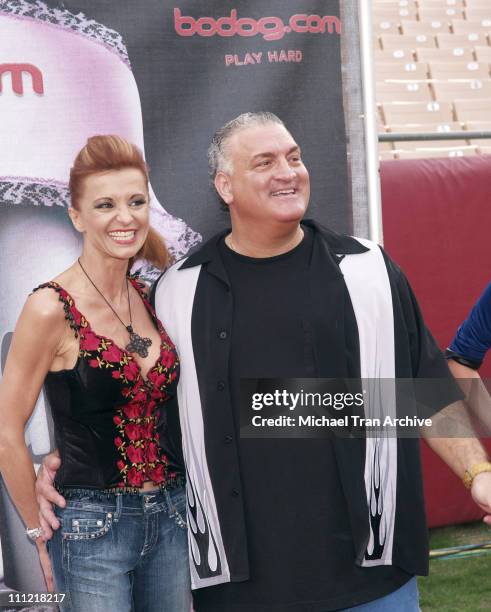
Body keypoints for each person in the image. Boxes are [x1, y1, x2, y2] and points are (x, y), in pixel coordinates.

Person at [37, 113, 491, 611]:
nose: (288, 171)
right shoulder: (177, 292)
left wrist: (477, 474)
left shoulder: (369, 270)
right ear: (224, 186)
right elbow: (143, 413)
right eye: (266, 162)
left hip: (372, 581)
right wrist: (69, 471)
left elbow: (421, 391)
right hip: (237, 587)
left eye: (294, 157)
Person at [0, 135, 191, 611]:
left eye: (136, 201)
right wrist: (36, 531)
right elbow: (6, 432)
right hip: (90, 529)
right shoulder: (49, 308)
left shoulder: (153, 295)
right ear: (77, 216)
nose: (124, 218)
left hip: (172, 518)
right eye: (105, 204)